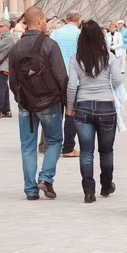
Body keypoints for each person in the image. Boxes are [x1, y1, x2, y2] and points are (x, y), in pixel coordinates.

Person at [9, 6, 68, 200]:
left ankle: (30, 190)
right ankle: (45, 177)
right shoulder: (49, 44)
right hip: (49, 102)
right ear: (41, 20)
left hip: (26, 104)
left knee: (27, 146)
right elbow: (61, 77)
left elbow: (12, 81)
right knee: (55, 141)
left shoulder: (16, 47)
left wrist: (22, 99)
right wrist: (65, 102)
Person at [66, 20, 123, 203]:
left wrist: (69, 107)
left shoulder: (75, 58)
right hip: (106, 105)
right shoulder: (109, 57)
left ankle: (88, 191)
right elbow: (117, 80)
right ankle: (106, 185)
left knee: (86, 152)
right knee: (106, 151)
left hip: (83, 106)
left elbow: (71, 86)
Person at [50, 11, 81, 158]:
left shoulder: (55, 34)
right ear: (78, 21)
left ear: (66, 20)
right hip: (75, 80)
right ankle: (68, 147)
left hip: (56, 79)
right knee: (71, 113)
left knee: (56, 113)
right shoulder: (80, 35)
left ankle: (52, 145)